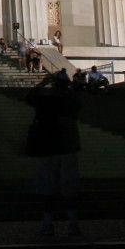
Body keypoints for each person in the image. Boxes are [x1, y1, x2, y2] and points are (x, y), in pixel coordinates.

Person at [25, 70, 82, 236]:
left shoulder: (46, 99)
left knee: (48, 187)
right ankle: (72, 223)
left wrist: (43, 83)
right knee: (69, 187)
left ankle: (48, 223)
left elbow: (29, 97)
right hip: (68, 146)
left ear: (54, 83)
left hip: (48, 147)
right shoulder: (71, 99)